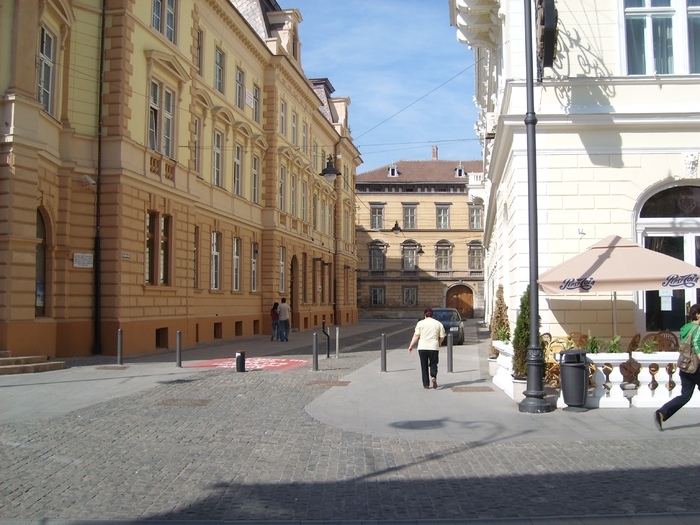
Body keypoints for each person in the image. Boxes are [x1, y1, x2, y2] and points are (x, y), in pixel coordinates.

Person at [654, 303, 700, 431]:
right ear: (697, 314)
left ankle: (662, 413)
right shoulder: (697, 329)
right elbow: (697, 346)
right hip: (696, 367)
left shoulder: (685, 328)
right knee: (685, 395)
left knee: (685, 396)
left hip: (685, 366)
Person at [408, 307, 446, 389]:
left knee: (423, 365)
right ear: (432, 315)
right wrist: (439, 342)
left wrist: (411, 345)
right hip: (433, 346)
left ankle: (426, 384)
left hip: (422, 347)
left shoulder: (420, 323)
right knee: (434, 363)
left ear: (425, 315)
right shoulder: (438, 323)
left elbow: (416, 335)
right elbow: (442, 336)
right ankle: (433, 376)